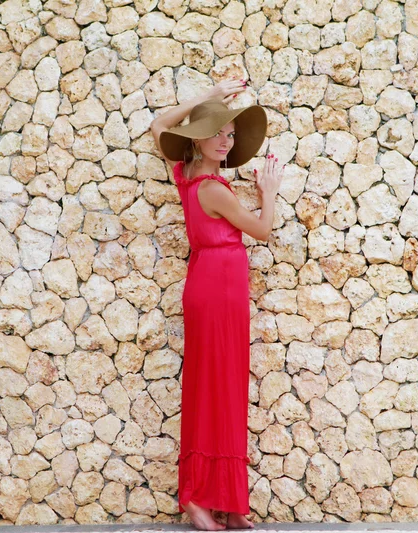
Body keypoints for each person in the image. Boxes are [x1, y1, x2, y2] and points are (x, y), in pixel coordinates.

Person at [150, 80, 284, 531]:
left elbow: (157, 125)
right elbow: (262, 230)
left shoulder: (186, 174)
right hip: (217, 287)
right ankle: (198, 499)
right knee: (216, 389)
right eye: (217, 132)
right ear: (198, 140)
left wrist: (208, 97)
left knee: (217, 388)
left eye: (229, 133)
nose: (226, 141)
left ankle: (226, 499)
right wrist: (270, 192)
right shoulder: (211, 186)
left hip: (214, 284)